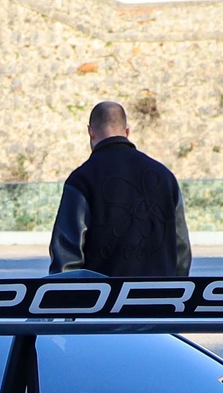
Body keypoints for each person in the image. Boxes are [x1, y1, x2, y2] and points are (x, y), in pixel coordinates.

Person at [48, 100, 193, 277]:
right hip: (160, 298)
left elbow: (67, 255)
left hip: (104, 300)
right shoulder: (164, 177)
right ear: (127, 132)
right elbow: (181, 248)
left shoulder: (82, 179)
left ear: (90, 132)